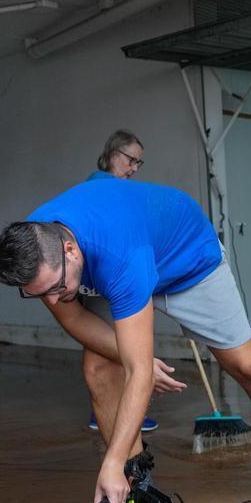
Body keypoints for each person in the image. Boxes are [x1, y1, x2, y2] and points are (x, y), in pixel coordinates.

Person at [0, 176, 251, 503]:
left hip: (188, 264)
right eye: (38, 295)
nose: (52, 301)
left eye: (55, 289)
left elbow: (138, 372)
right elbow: (74, 319)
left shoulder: (120, 256)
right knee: (98, 367)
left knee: (246, 365)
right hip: (111, 266)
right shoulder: (38, 250)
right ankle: (136, 477)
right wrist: (132, 360)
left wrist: (138, 366)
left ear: (70, 250)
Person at [87, 130, 159, 432]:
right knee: (116, 349)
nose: (133, 169)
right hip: (109, 281)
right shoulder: (104, 188)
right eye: (131, 160)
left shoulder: (100, 186)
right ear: (112, 153)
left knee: (105, 347)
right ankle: (117, 416)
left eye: (139, 164)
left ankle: (110, 414)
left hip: (103, 280)